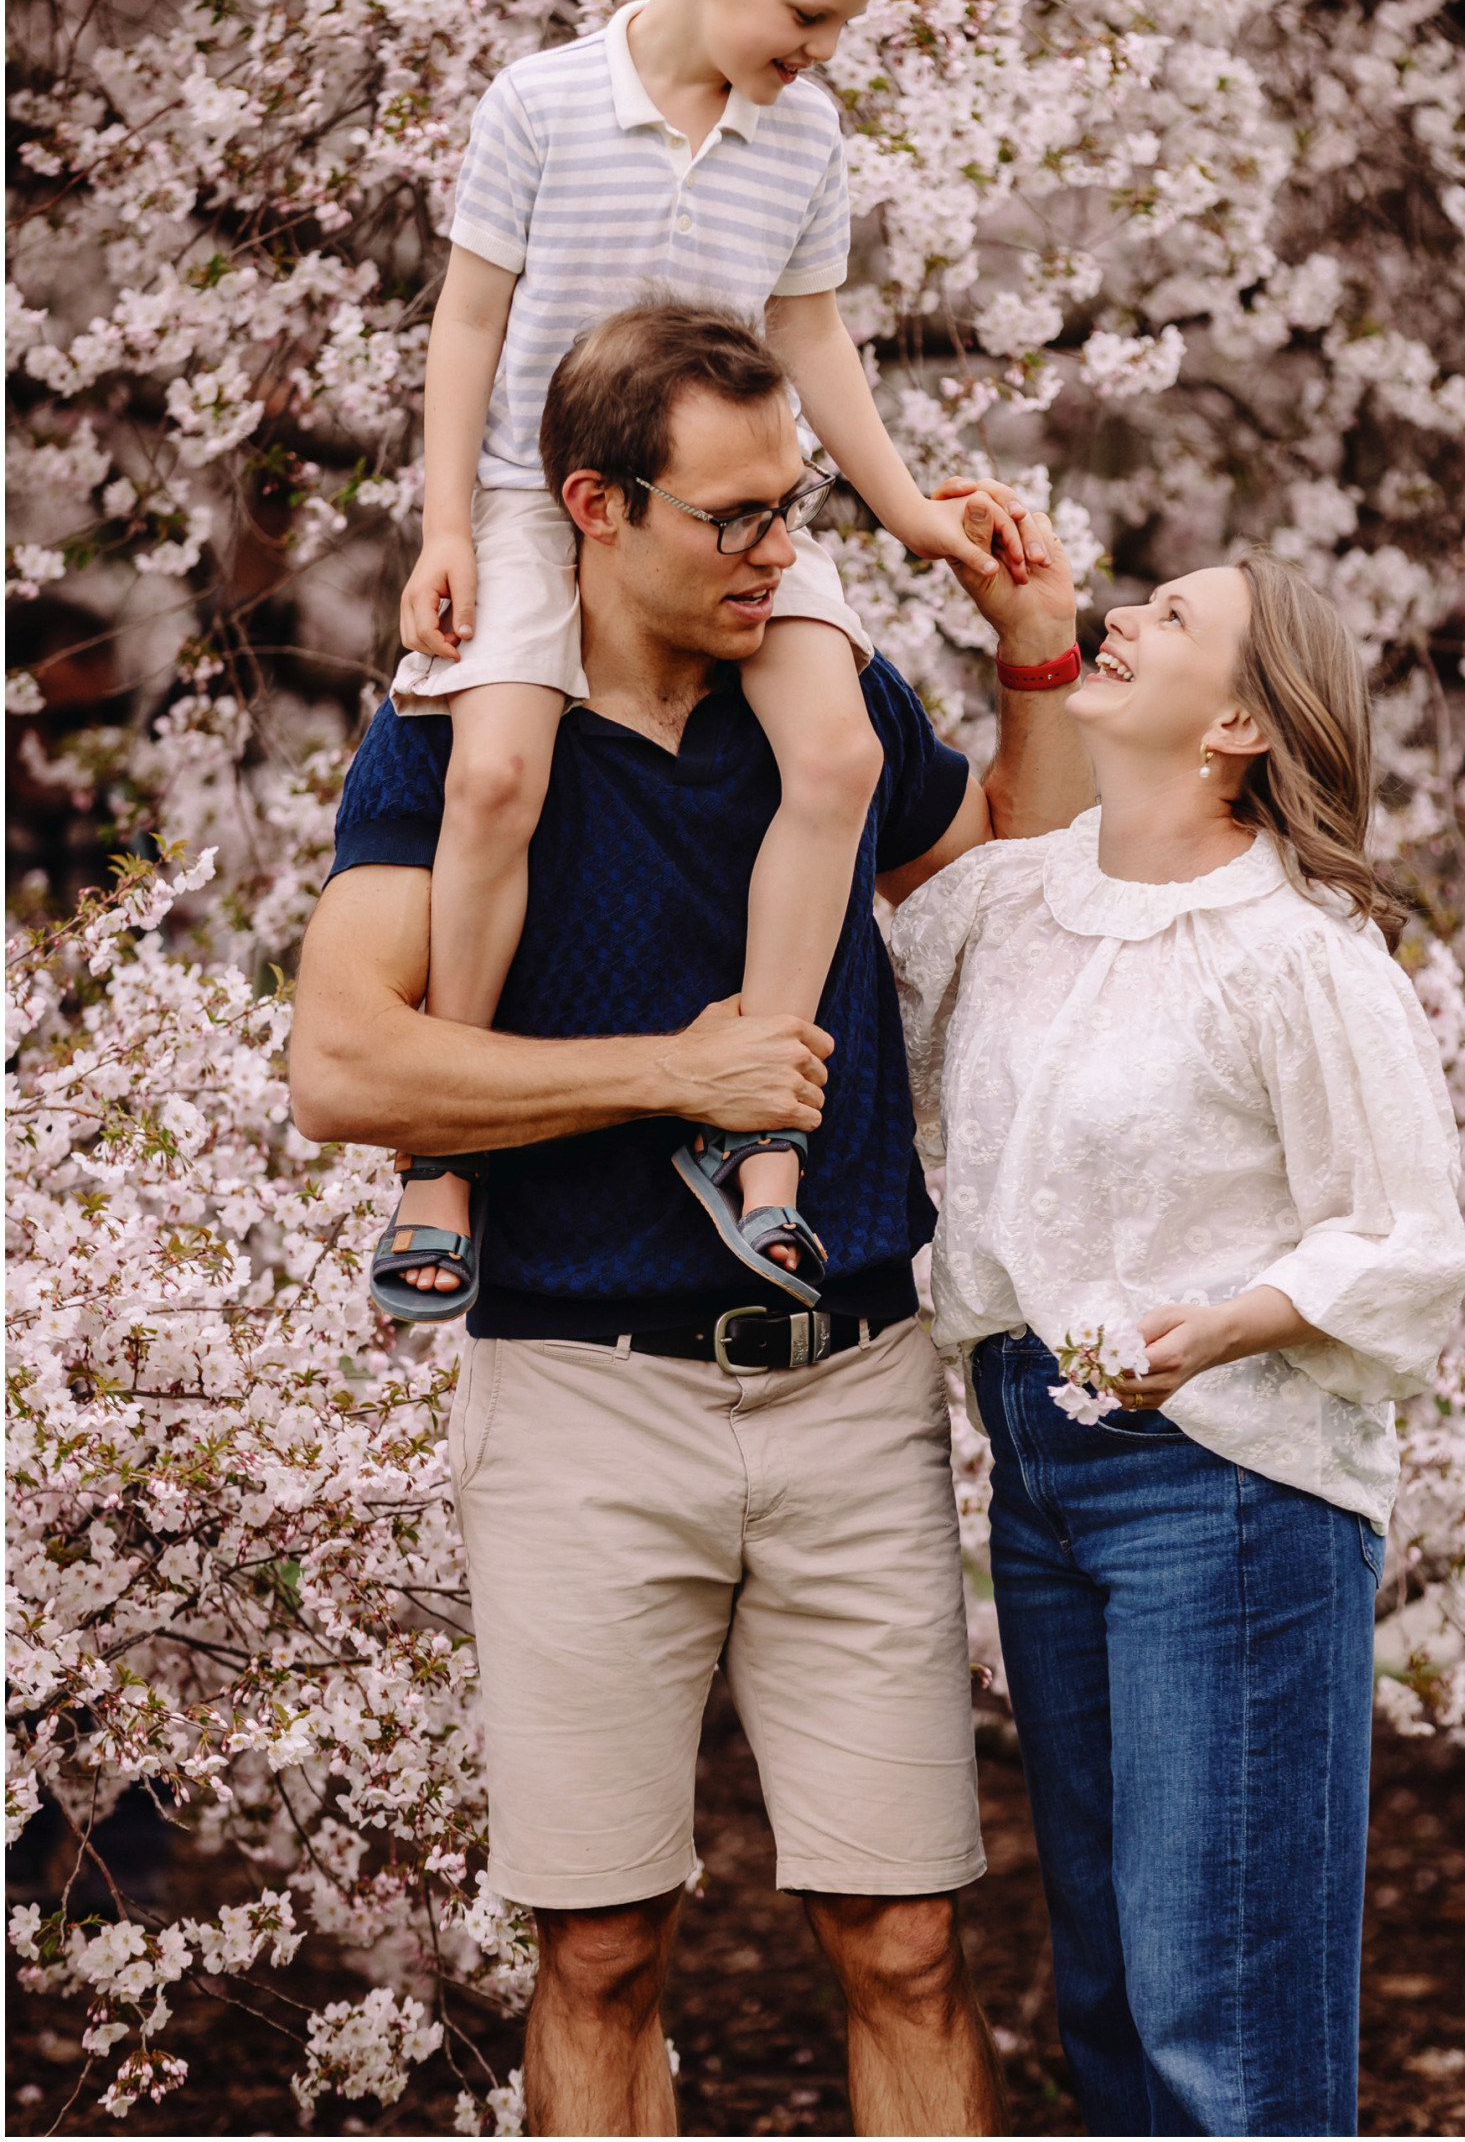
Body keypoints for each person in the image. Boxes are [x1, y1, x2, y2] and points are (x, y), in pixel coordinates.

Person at [288, 296, 1092, 2138]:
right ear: (595, 505)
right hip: (582, 1396)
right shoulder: (455, 741)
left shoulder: (829, 705)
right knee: (600, 1951)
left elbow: (1006, 896)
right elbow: (343, 1065)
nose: (778, 551)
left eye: (790, 503)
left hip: (848, 1384)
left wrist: (1035, 658)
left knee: (906, 1940)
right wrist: (681, 1075)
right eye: (733, 517)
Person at [376, 0, 1037, 1310]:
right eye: (805, 16)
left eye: (841, 24)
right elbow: (467, 322)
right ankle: (443, 1155)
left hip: (734, 507)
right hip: (545, 499)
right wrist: (448, 526)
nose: (823, 48)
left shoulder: (802, 136)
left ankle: (762, 1134)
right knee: (494, 776)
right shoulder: (543, 104)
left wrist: (907, 513)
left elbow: (811, 333)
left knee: (839, 758)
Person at [889, 552, 1465, 2139]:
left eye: (1171, 619)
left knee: (1218, 2017)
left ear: (1238, 726)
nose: (1122, 621)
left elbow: (1406, 1236)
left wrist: (1225, 1327)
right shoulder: (1014, 902)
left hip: (1222, 1485)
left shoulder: (1299, 952)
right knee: (1111, 2005)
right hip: (1039, 1470)